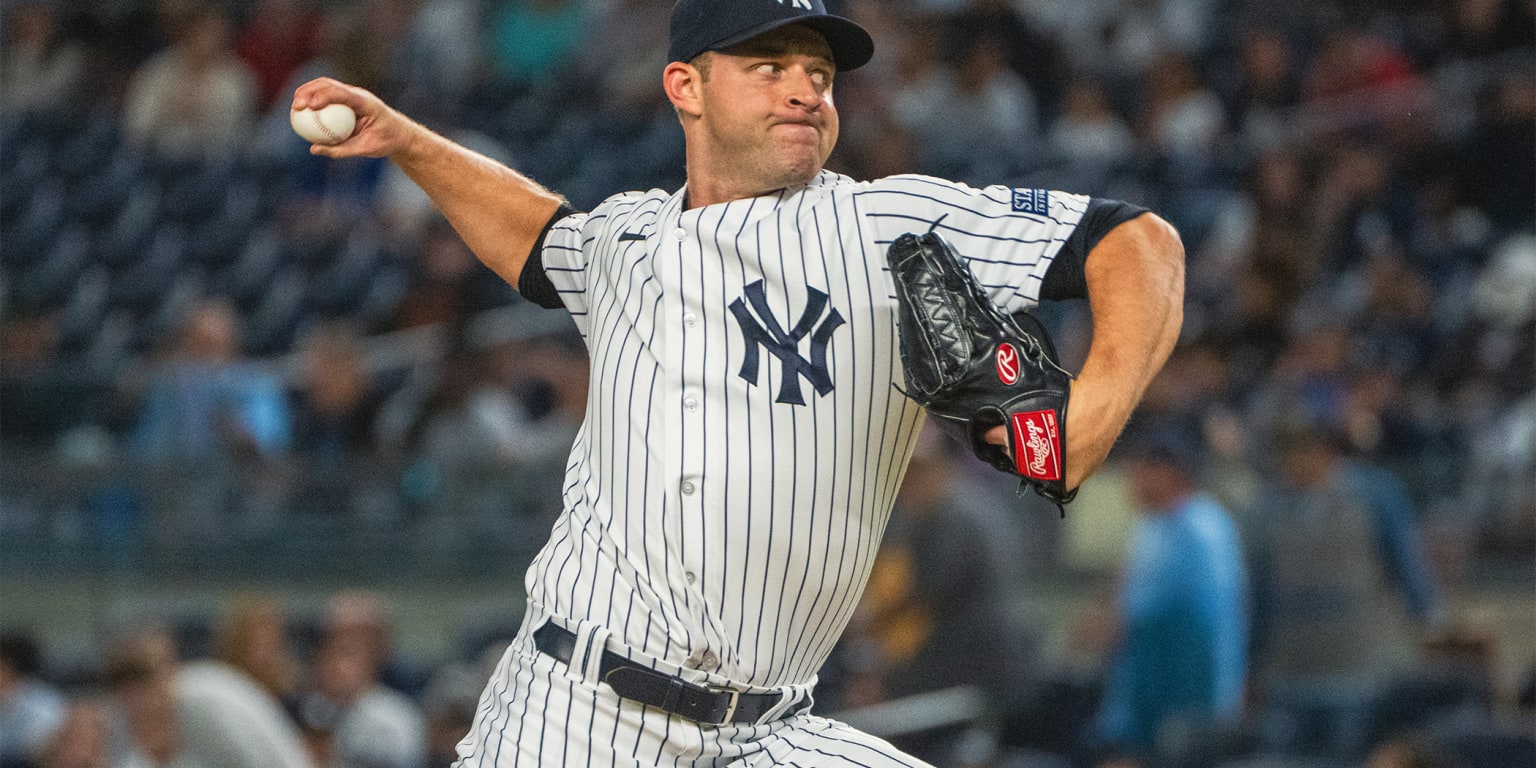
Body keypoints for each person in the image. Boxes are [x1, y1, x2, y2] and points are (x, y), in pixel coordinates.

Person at [289, 0, 1184, 763]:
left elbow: (1141, 243)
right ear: (686, 86)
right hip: (571, 713)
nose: (806, 87)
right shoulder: (625, 240)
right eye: (769, 65)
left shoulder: (890, 223)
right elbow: (537, 237)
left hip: (768, 733)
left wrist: (1082, 422)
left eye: (820, 70)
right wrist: (406, 141)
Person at [1078, 419, 1248, 760]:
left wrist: (1119, 623)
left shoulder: (1203, 527)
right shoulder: (1152, 525)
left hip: (1188, 692)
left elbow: (1198, 617)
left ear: (1167, 472)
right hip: (1145, 688)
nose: (1130, 481)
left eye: (1138, 470)